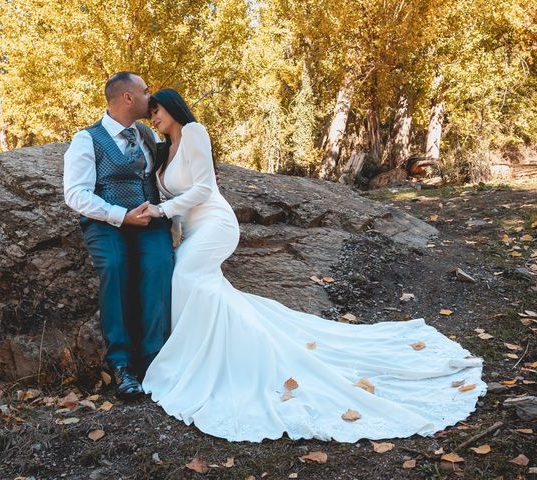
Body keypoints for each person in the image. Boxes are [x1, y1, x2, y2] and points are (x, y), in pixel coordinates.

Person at [139, 88, 486, 443]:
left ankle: (198, 361)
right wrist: (173, 226)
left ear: (173, 106)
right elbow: (175, 198)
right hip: (193, 230)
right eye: (149, 114)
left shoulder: (195, 133)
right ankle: (217, 355)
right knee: (196, 283)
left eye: (157, 110)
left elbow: (203, 189)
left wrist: (162, 211)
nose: (153, 118)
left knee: (185, 276)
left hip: (215, 223)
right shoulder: (166, 150)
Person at [63, 73, 174, 401]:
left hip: (150, 221)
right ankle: (122, 365)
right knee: (114, 267)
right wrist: (120, 215)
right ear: (127, 98)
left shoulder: (145, 133)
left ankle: (155, 358)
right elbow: (76, 194)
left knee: (160, 265)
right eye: (144, 92)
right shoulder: (86, 139)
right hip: (106, 224)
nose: (149, 97)